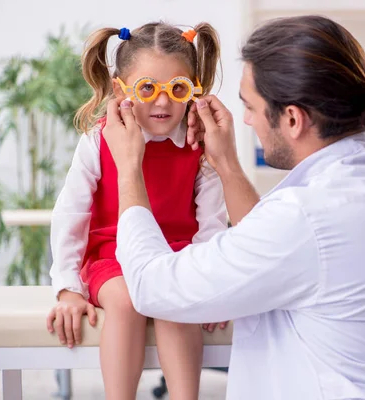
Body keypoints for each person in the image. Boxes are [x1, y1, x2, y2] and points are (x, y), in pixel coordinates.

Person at [104, 15, 365, 400]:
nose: (247, 121)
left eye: (249, 107)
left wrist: (128, 169)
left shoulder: (306, 216)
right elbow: (276, 248)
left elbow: (153, 287)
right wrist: (227, 165)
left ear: (291, 118)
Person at [45, 21, 228, 400]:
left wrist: (211, 285)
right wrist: (68, 289)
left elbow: (212, 225)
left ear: (193, 88)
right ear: (120, 89)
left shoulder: (200, 145)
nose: (163, 102)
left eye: (177, 89)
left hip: (177, 256)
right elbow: (71, 214)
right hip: (113, 256)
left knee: (173, 296)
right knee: (127, 301)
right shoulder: (98, 139)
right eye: (148, 88)